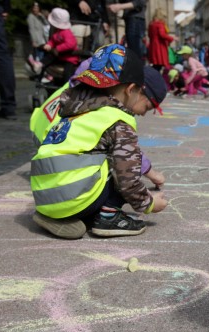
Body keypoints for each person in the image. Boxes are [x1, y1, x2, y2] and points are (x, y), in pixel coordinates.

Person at [31, 44, 168, 239]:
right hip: (74, 198)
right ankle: (108, 216)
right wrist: (150, 204)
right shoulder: (117, 120)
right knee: (124, 162)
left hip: (43, 197)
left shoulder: (74, 107)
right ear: (131, 90)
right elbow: (128, 178)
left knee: (96, 157)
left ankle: (58, 215)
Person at [30, 58, 166, 191]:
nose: (143, 114)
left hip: (42, 144)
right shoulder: (103, 107)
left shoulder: (85, 88)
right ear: (132, 89)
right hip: (56, 164)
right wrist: (151, 174)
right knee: (115, 166)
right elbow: (124, 151)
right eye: (147, 107)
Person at [41, 8, 80, 83]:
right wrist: (49, 45)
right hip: (61, 56)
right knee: (48, 59)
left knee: (67, 72)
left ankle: (67, 87)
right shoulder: (57, 32)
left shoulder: (66, 32)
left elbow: (71, 44)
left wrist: (58, 48)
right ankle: (41, 66)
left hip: (70, 58)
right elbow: (53, 40)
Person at [147, 8, 174, 73]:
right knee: (159, 66)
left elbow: (149, 35)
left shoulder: (151, 24)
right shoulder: (160, 24)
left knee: (156, 65)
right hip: (160, 47)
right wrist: (172, 38)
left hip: (153, 47)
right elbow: (162, 35)